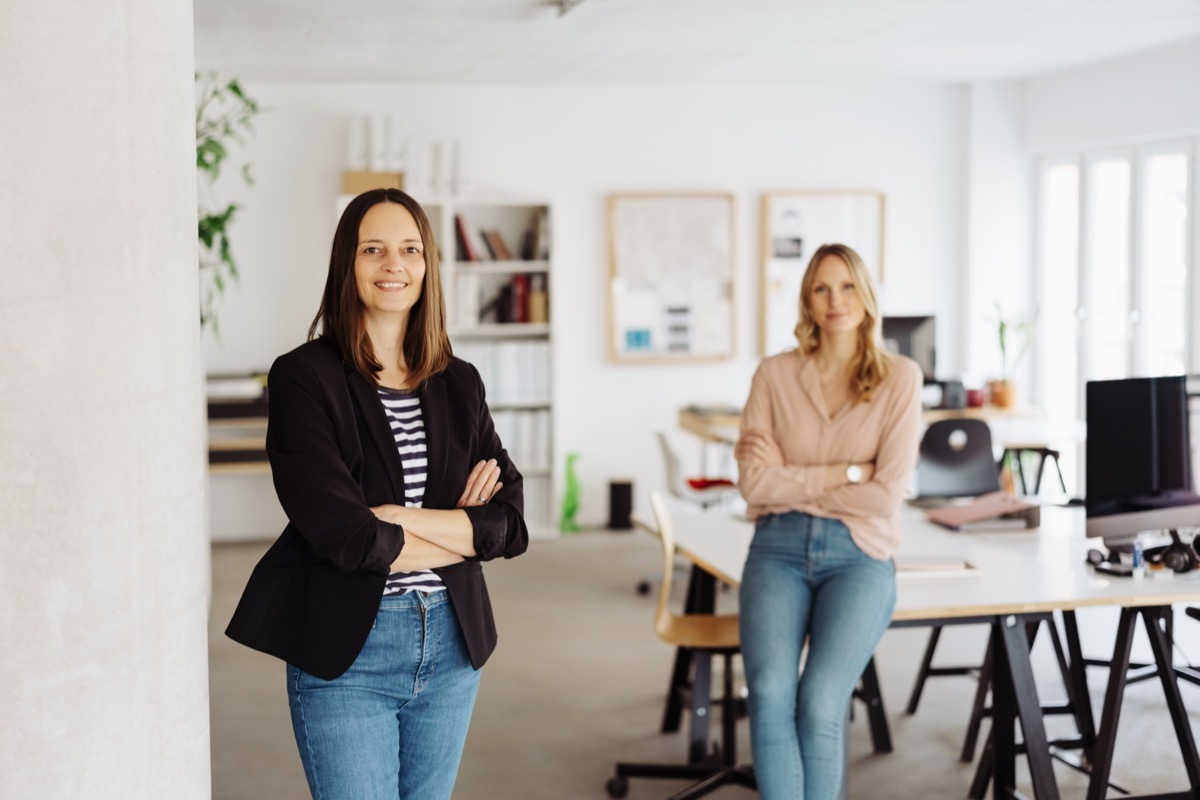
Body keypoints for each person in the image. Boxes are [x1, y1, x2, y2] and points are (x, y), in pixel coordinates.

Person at [225, 188, 529, 800]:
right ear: (348, 263)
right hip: (350, 652)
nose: (394, 264)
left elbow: (511, 523)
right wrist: (460, 533)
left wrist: (400, 519)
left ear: (427, 266)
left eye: (410, 249)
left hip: (452, 642)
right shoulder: (302, 379)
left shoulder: (459, 382)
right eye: (374, 249)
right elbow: (351, 538)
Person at [734, 243, 922, 800]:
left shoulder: (899, 378)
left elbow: (885, 497)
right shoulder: (774, 374)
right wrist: (846, 473)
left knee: (819, 701)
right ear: (807, 300)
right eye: (821, 288)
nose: (834, 300)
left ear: (865, 295)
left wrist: (794, 478)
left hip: (859, 555)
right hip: (778, 548)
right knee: (769, 694)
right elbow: (753, 483)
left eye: (845, 287)